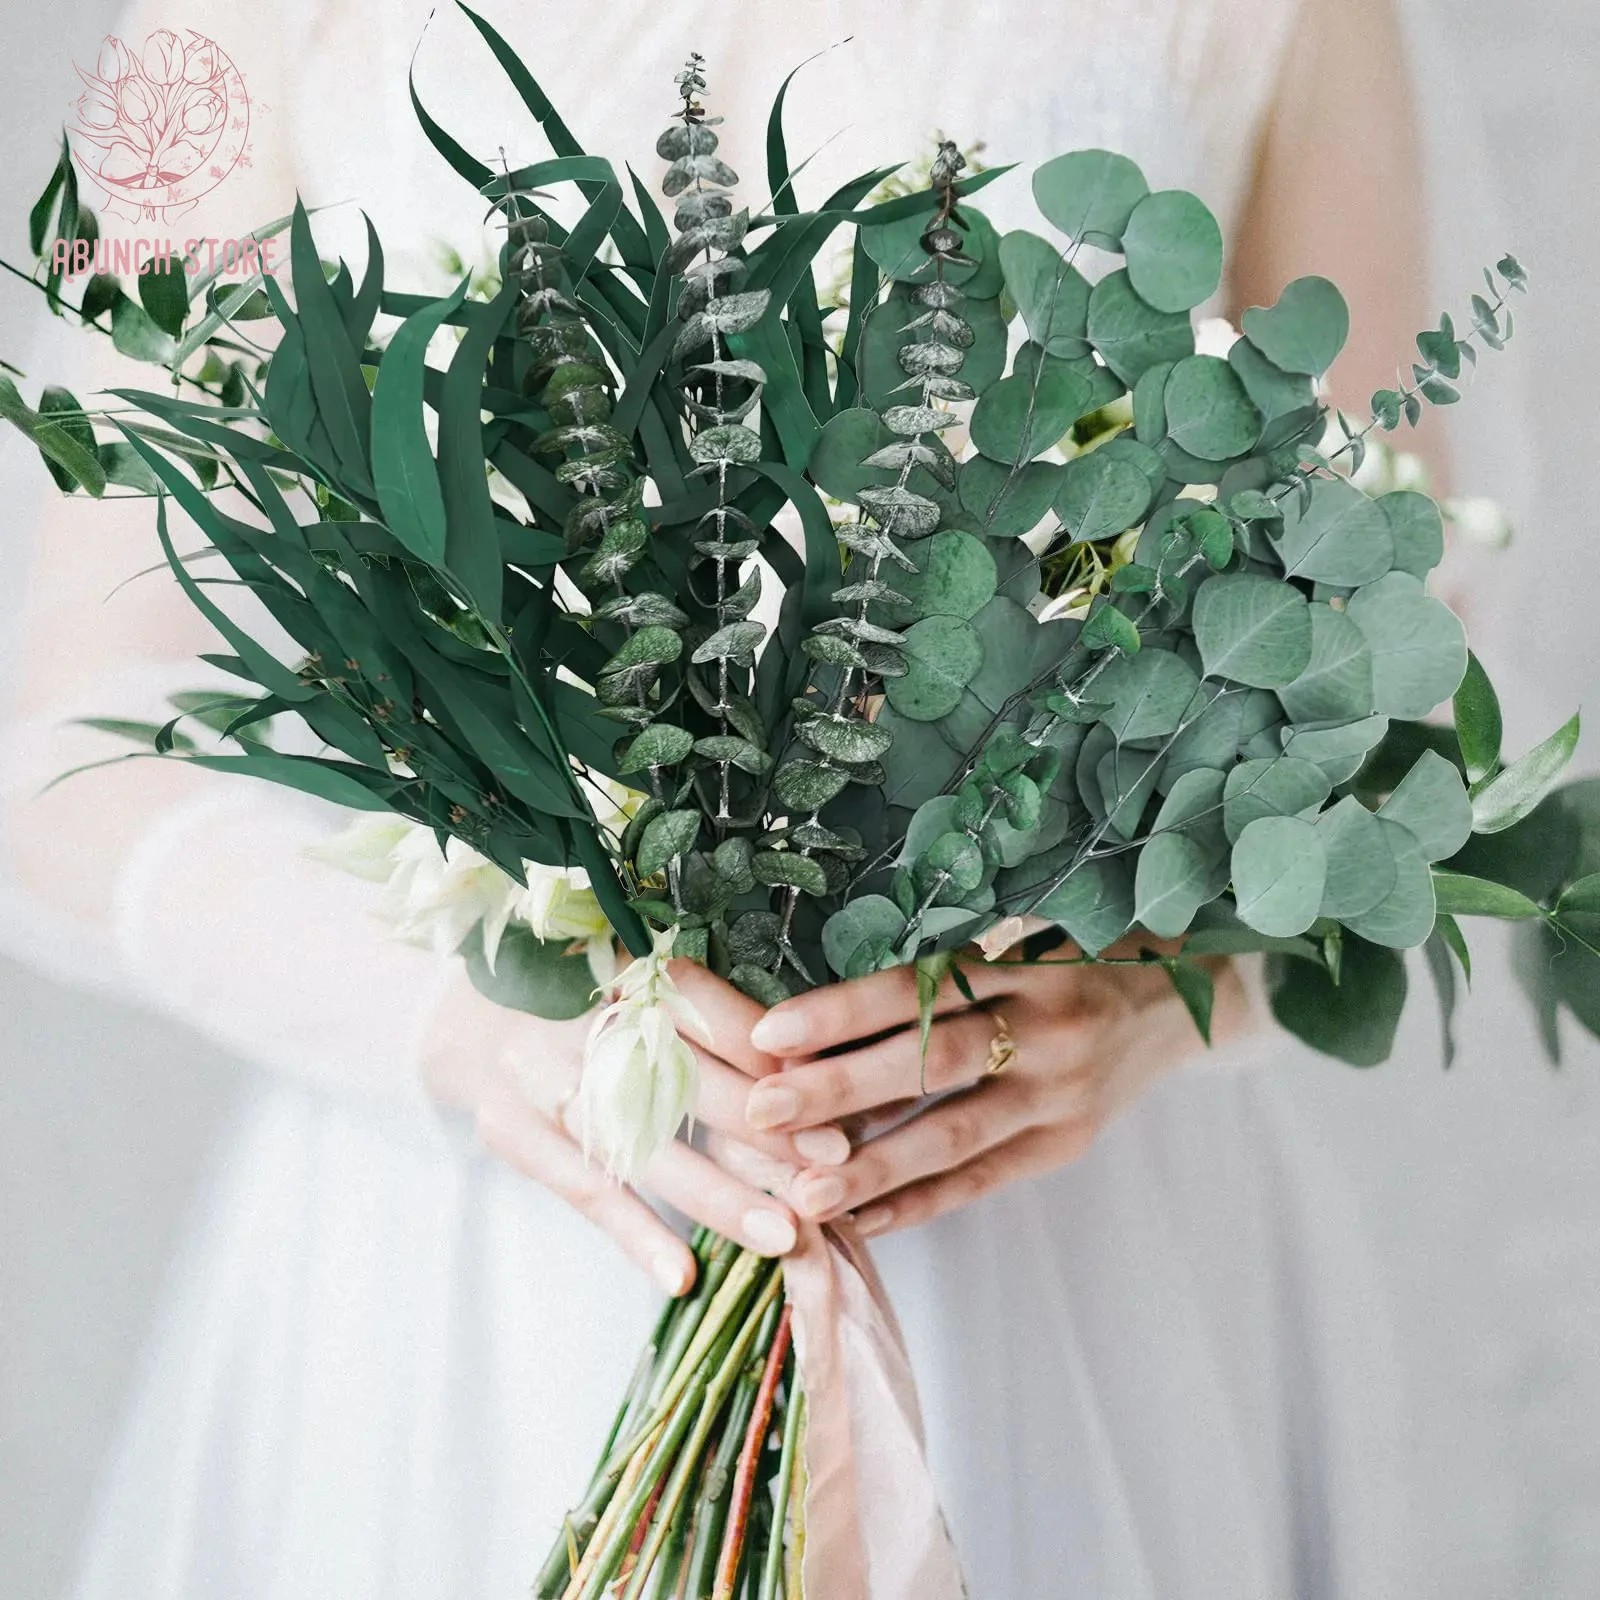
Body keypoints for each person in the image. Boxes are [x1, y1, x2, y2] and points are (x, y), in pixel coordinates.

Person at [0, 0, 1430, 1594]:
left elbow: (1382, 608)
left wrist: (1166, 980)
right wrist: (476, 1035)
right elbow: (79, 746)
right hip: (479, 1232)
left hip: (1048, 1230)